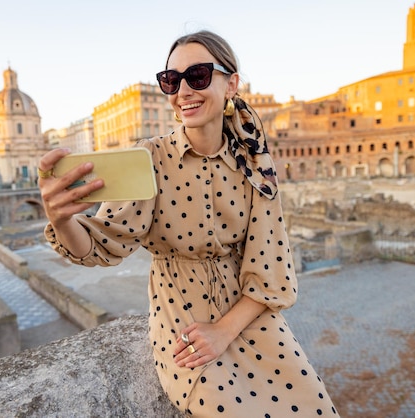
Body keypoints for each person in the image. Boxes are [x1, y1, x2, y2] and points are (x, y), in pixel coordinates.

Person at [37, 30, 338, 417]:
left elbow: (271, 269)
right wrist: (62, 220)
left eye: (197, 76)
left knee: (314, 404)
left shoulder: (256, 163)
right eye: (171, 80)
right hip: (181, 319)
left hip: (248, 314)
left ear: (231, 84)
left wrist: (225, 331)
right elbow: (103, 245)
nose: (183, 91)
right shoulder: (149, 158)